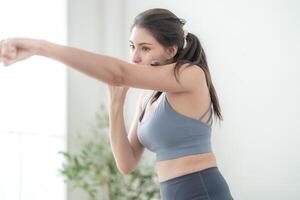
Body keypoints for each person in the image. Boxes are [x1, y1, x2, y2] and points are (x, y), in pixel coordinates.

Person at [0, 8, 234, 200]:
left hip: (201, 189)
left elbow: (120, 73)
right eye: (132, 46)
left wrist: (40, 47)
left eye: (145, 48)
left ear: (170, 50)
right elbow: (126, 162)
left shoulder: (191, 74)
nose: (134, 57)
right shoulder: (148, 97)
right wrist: (115, 105)